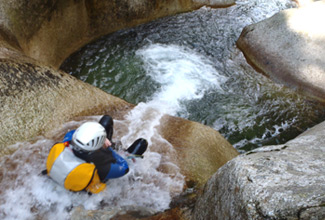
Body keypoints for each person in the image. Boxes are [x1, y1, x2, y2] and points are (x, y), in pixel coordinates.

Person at [45, 115, 147, 194]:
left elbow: (72, 133)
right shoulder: (101, 167)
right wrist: (108, 149)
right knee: (141, 143)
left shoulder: (65, 143)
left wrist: (102, 141)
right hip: (85, 187)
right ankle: (125, 153)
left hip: (65, 177)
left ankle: (105, 140)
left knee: (106, 120)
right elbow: (124, 168)